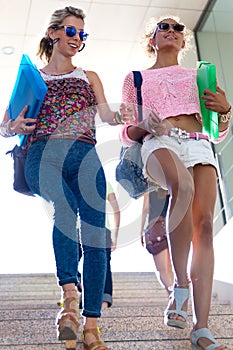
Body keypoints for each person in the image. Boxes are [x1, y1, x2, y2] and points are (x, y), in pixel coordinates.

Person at [0, 6, 126, 350]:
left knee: (98, 238)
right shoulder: (33, 76)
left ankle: (91, 328)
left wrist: (122, 114)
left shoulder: (90, 76)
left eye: (82, 35)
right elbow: (4, 125)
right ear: (54, 33)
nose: (77, 39)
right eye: (71, 32)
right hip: (44, 154)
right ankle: (69, 295)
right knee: (64, 211)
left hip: (86, 157)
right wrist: (13, 127)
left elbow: (106, 115)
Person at [119, 15, 231, 350]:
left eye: (177, 29)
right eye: (163, 28)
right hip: (159, 141)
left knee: (205, 226)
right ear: (151, 39)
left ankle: (202, 328)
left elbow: (218, 131)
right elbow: (126, 135)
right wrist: (146, 124)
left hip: (198, 142)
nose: (171, 31)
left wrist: (225, 110)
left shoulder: (200, 77)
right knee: (182, 188)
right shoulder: (135, 78)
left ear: (183, 42)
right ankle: (180, 286)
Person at [78, 181, 121, 311]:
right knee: (104, 265)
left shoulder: (74, 178)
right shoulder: (104, 182)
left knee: (71, 259)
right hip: (102, 228)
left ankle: (78, 283)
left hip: (77, 227)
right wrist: (115, 235)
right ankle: (104, 303)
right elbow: (116, 210)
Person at [141, 189, 174, 297]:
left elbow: (145, 209)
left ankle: (175, 297)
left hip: (156, 228)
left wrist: (141, 231)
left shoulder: (149, 189)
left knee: (161, 270)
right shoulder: (170, 187)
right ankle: (176, 296)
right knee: (171, 269)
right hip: (173, 228)